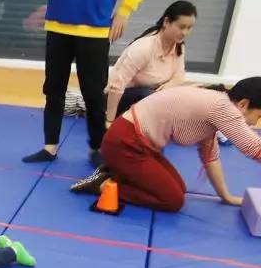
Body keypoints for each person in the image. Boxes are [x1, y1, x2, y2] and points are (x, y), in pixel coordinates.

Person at [70, 78, 261, 212]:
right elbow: (253, 147)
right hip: (125, 143)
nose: (255, 123)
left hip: (135, 144)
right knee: (173, 200)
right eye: (259, 116)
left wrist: (226, 196)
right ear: (243, 104)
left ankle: (114, 172)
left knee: (179, 188)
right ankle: (103, 184)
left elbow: (210, 157)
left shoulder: (217, 106)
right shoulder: (223, 107)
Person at [22, 0, 145, 167]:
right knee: (53, 89)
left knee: (94, 94)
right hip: (57, 26)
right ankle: (49, 147)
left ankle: (97, 148)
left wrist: (124, 11)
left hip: (95, 28)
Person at [106, 1, 197, 125]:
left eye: (189, 28)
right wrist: (109, 120)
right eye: (181, 27)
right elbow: (116, 86)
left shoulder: (179, 47)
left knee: (190, 91)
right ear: (166, 22)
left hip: (152, 97)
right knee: (151, 96)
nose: (185, 33)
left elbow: (179, 77)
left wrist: (168, 87)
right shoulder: (144, 48)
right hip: (117, 100)